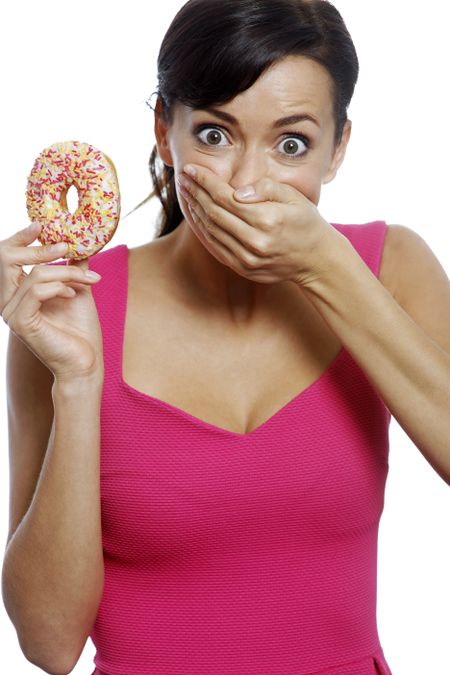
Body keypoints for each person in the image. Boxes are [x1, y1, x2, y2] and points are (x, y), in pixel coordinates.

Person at [2, 0, 450, 673]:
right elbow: (49, 643)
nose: (246, 185)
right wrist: (79, 382)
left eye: (291, 143)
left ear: (339, 150)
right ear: (164, 131)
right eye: (215, 135)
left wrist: (325, 266)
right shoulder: (75, 307)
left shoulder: (391, 268)